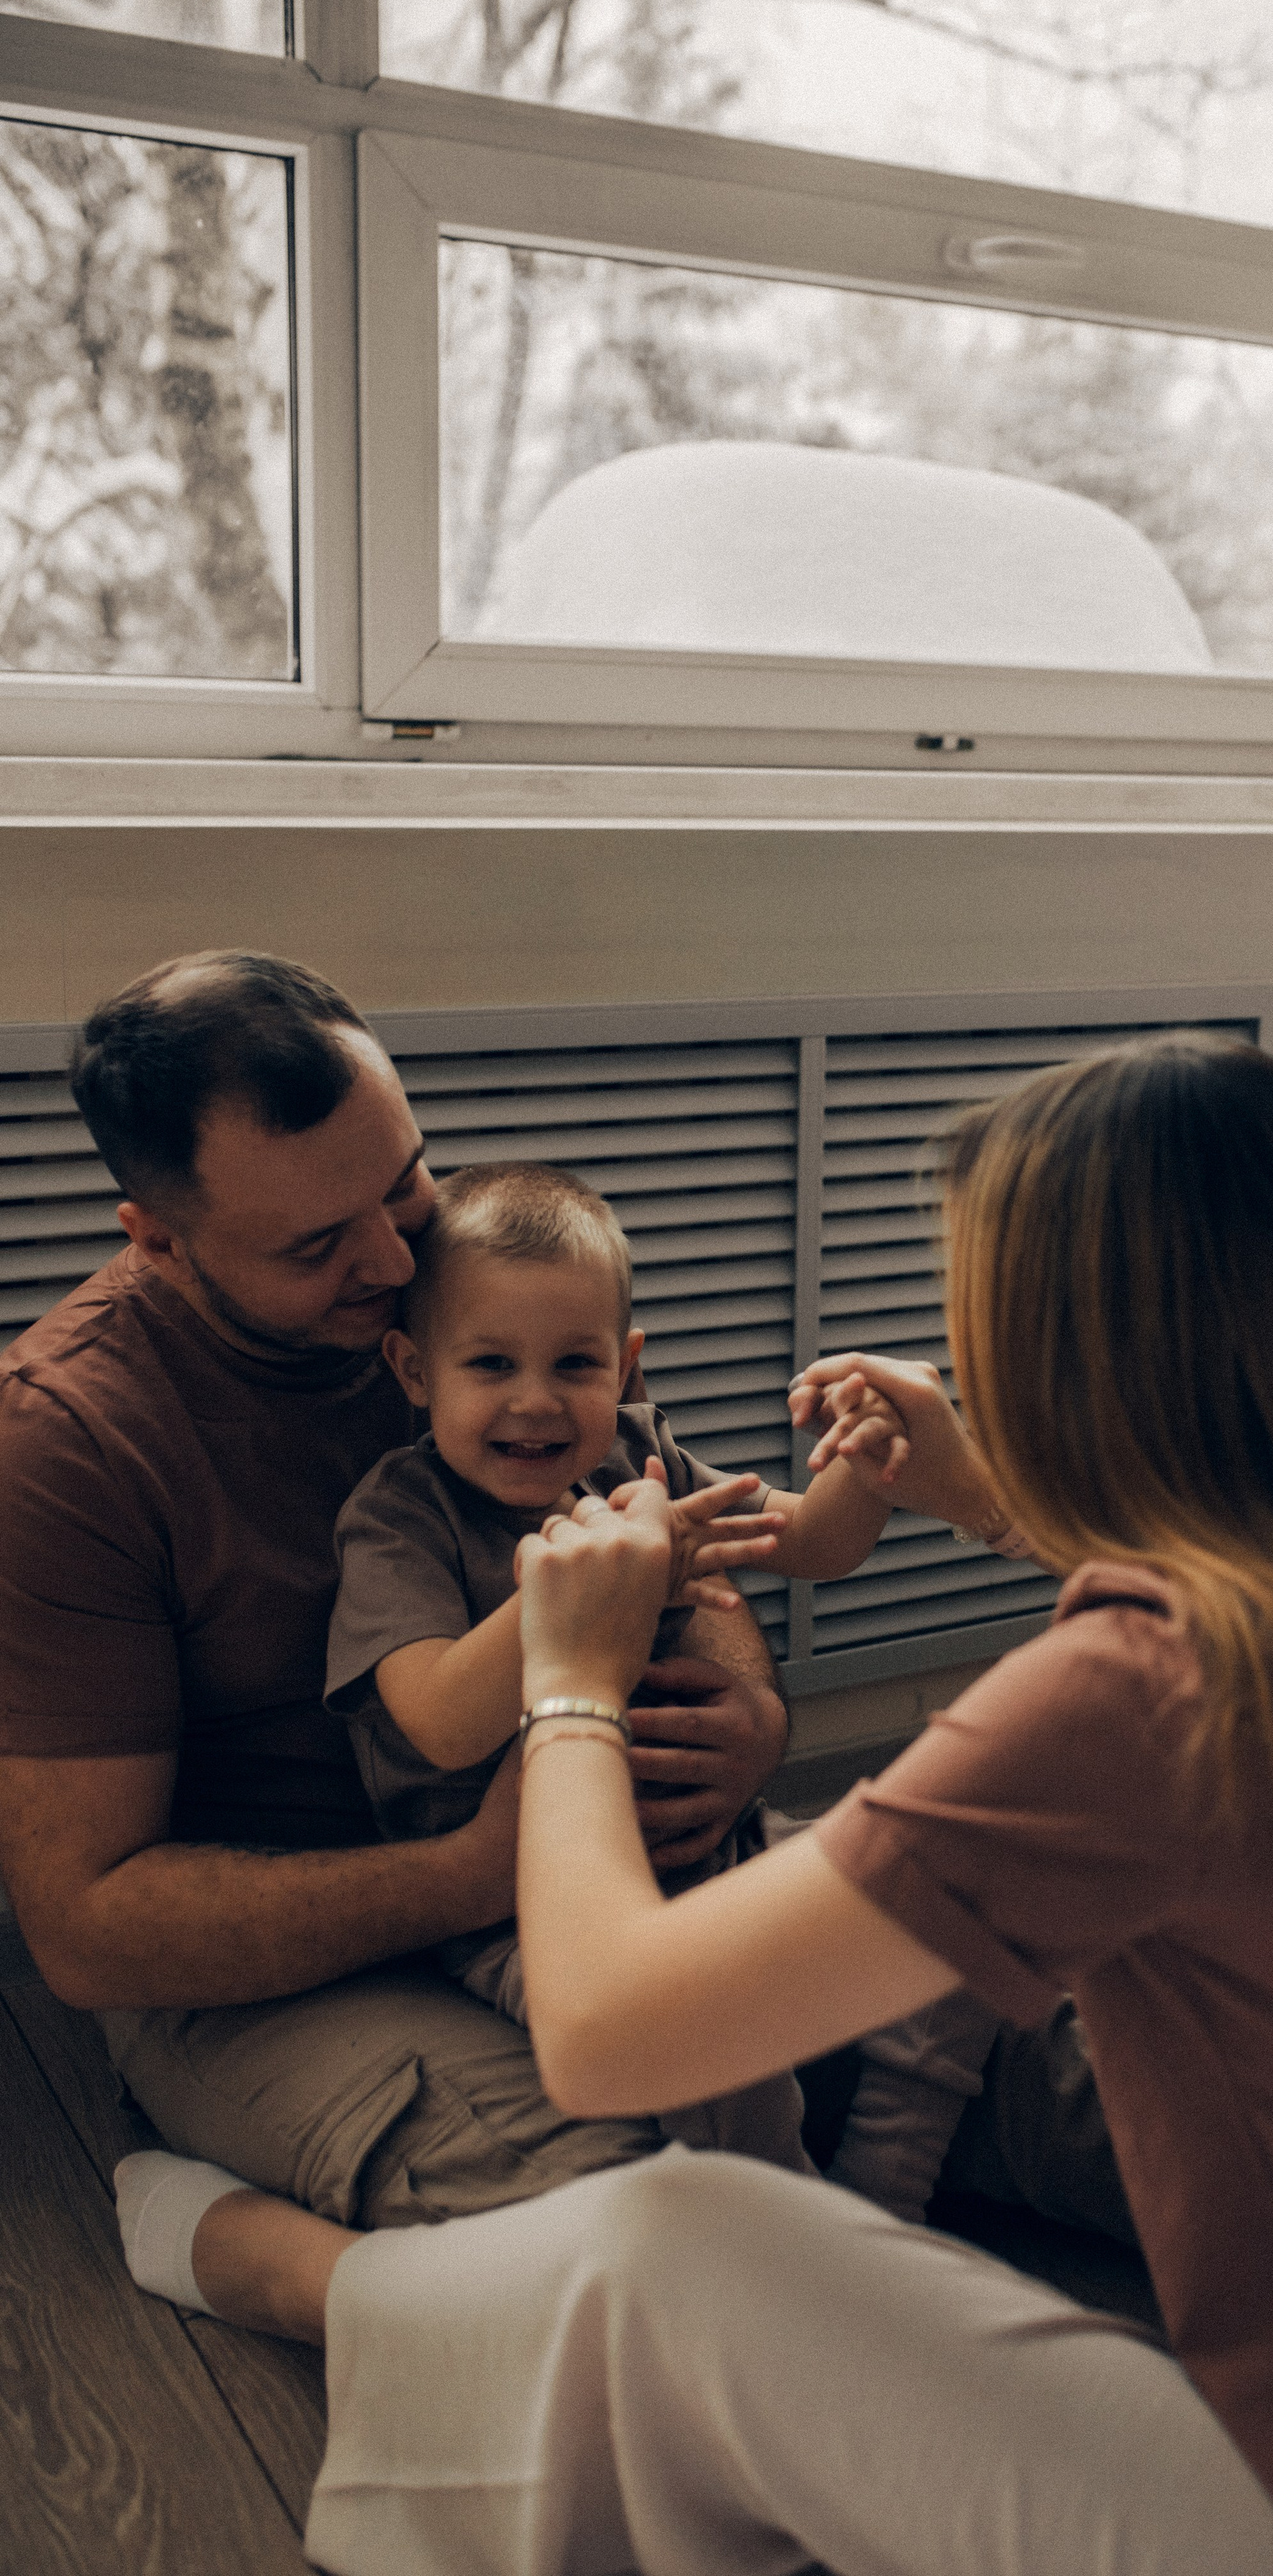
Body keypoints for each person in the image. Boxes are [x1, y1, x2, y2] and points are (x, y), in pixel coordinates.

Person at [117, 1034, 1273, 2575]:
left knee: (684, 2234)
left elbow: (607, 2039)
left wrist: (569, 1683)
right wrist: (976, 1489)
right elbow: (1265, 1605)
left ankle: (330, 2286)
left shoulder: (1135, 1691)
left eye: (979, 1344)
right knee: (849, 1908)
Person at [0, 953, 791, 2229]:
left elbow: (651, 1522)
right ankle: (240, 2250)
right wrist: (479, 1872)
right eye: (317, 1245)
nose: (386, 1260)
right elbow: (91, 1931)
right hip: (293, 1969)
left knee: (1035, 2010)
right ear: (158, 1240)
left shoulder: (460, 1283)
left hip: (588, 1873)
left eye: (403, 1179)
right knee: (655, 2216)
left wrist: (746, 1720)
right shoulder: (64, 1448)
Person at [323, 1156, 1001, 2207]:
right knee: (721, 2058)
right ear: (415, 1372)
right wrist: (579, 1597)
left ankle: (883, 2192)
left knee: (946, 1904)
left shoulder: (638, 1460)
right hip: (518, 1916)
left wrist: (866, 1469)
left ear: (627, 1369)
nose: (536, 1404)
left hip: (710, 1845)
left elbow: (808, 1544)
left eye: (577, 1365)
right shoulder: (402, 1516)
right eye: (492, 1364)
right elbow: (437, 1722)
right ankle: (793, 2236)